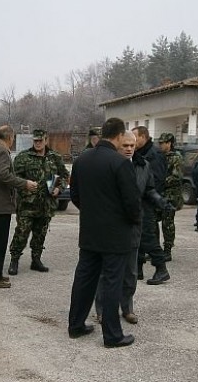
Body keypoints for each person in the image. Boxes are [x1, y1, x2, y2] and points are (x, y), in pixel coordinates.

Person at [68, 117, 141, 348]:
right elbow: (132, 203)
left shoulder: (82, 160)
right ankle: (112, 335)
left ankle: (76, 325)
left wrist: (92, 213)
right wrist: (131, 221)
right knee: (112, 282)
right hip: (115, 234)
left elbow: (75, 196)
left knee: (84, 279)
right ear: (119, 136)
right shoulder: (120, 163)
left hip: (89, 232)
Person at [94, 130, 172, 325]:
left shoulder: (143, 165)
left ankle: (127, 308)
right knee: (106, 272)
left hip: (133, 225)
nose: (129, 149)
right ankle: (102, 310)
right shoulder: (108, 165)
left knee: (131, 272)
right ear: (118, 145)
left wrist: (160, 201)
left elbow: (149, 190)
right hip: (111, 226)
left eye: (132, 145)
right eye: (125, 145)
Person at [0, 125, 37, 288]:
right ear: (10, 137)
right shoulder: (1, 151)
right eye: (13, 139)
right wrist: (24, 183)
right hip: (1, 203)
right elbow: (3, 174)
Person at [8, 129, 69, 275]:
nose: (38, 143)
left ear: (46, 140)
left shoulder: (55, 157)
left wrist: (59, 189)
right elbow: (14, 178)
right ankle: (14, 260)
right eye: (35, 141)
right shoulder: (23, 157)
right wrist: (25, 186)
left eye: (40, 141)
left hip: (46, 204)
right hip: (27, 205)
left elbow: (65, 175)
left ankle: (36, 260)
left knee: (40, 234)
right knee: (21, 233)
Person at [132, 126, 168, 284]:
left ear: (143, 137)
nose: (132, 141)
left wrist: (151, 198)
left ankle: (161, 268)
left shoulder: (154, 155)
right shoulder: (139, 154)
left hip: (146, 203)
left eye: (135, 137)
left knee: (147, 237)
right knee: (137, 237)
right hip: (138, 202)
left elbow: (158, 181)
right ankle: (137, 269)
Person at [158, 132, 183, 261]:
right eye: (160, 143)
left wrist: (160, 181)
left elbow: (176, 176)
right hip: (159, 194)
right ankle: (154, 249)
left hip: (170, 195)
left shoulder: (176, 157)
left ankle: (167, 250)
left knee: (167, 223)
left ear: (169, 143)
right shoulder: (159, 156)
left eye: (163, 143)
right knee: (152, 222)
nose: (160, 145)